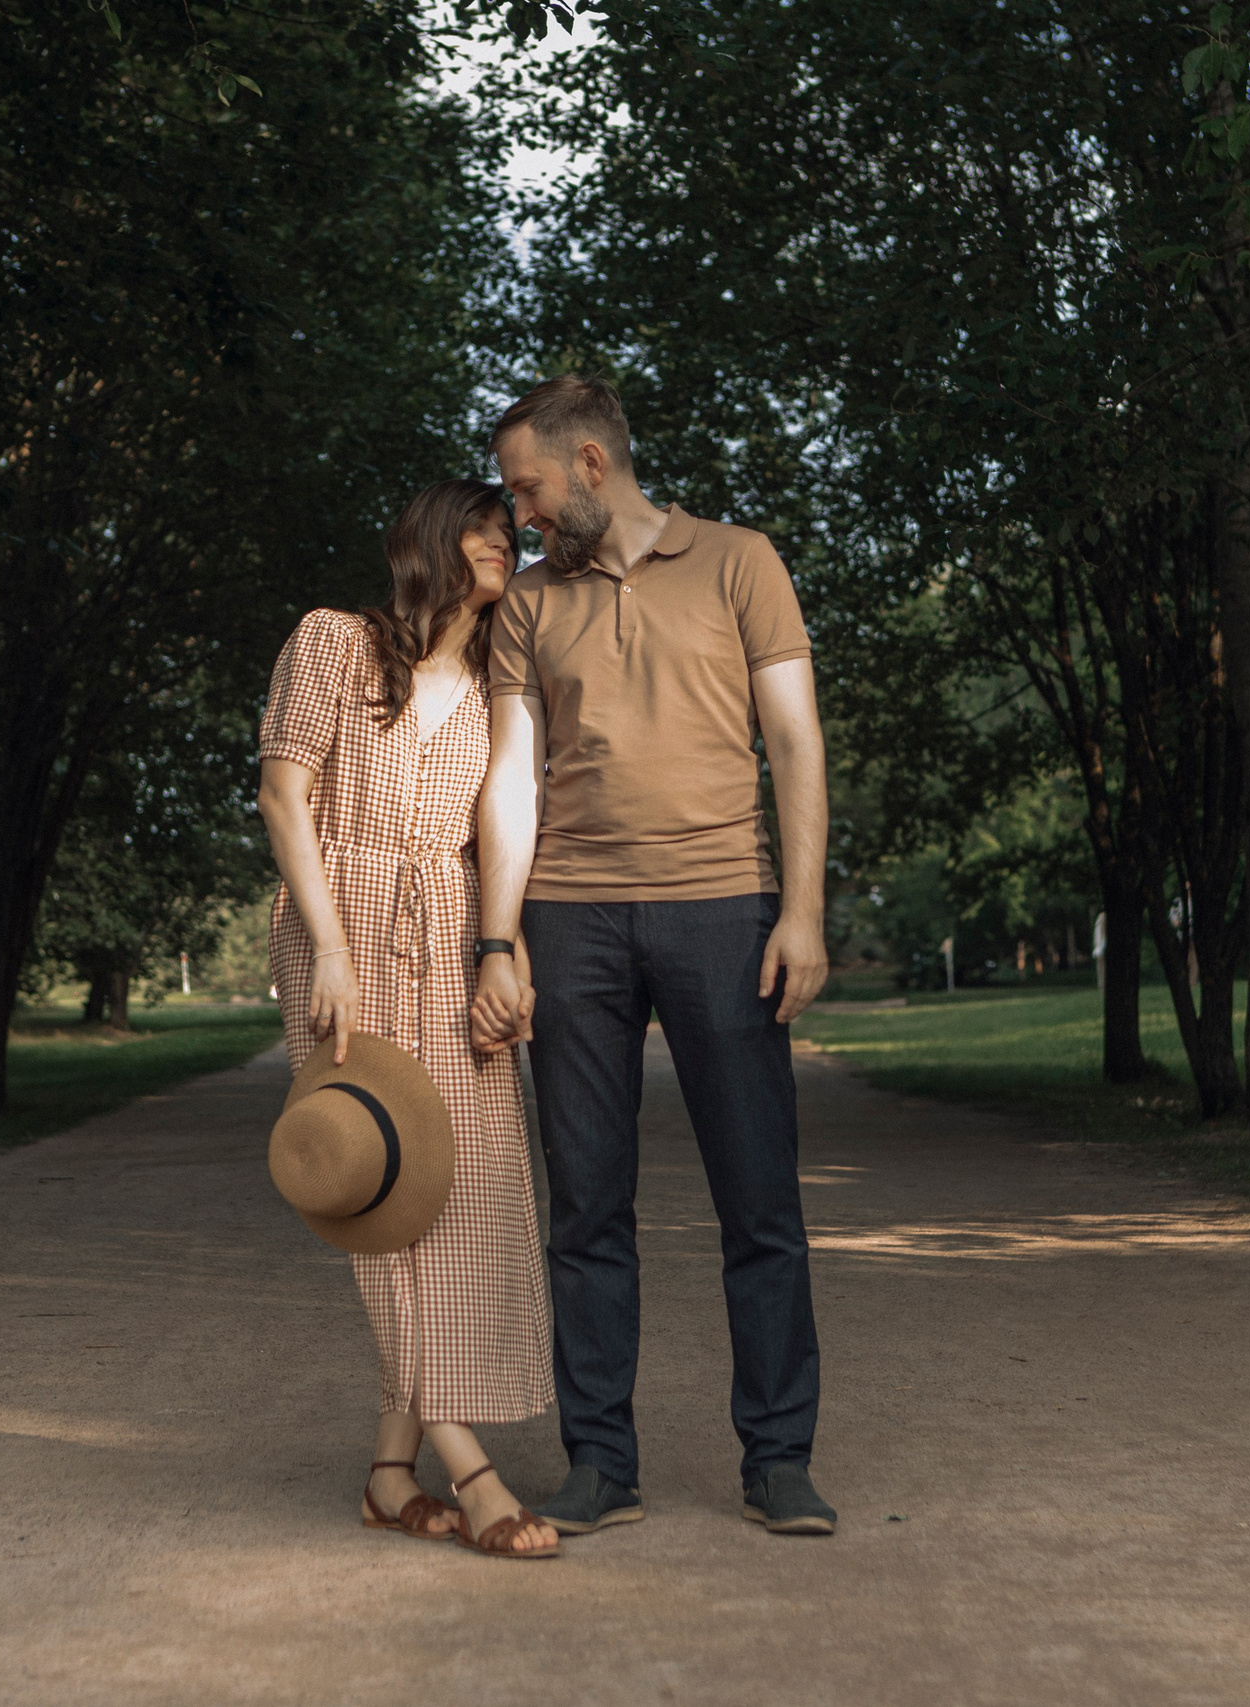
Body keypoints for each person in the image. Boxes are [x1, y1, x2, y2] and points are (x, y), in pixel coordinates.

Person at [469, 375, 838, 1537]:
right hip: (573, 922)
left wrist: (804, 910)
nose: (517, 513)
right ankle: (600, 1462)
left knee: (758, 1200)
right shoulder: (527, 604)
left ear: (588, 465)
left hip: (723, 911)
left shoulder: (739, 562)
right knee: (584, 1207)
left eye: (525, 487)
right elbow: (513, 780)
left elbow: (794, 741)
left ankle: (777, 1459)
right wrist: (499, 937)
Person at [257, 479, 561, 1560]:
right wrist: (331, 945)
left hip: (450, 936)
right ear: (430, 538)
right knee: (373, 1178)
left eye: (511, 532)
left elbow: (495, 835)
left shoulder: (495, 686)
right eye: (484, 526)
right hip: (342, 934)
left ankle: (392, 1473)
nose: (503, 542)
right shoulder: (335, 643)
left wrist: (502, 957)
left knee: (452, 1188)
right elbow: (285, 797)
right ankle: (468, 1467)